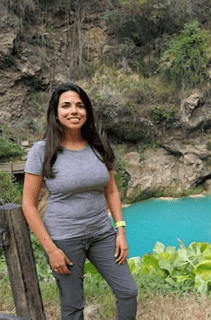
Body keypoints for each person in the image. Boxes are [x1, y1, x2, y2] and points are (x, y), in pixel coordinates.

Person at [22, 82, 138, 320]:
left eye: (80, 105)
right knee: (73, 304)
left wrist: (120, 230)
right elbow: (29, 204)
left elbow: (112, 191)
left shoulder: (98, 145)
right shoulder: (41, 151)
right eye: (66, 106)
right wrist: (51, 249)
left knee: (128, 291)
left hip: (102, 234)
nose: (74, 111)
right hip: (64, 238)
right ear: (56, 113)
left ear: (87, 112)